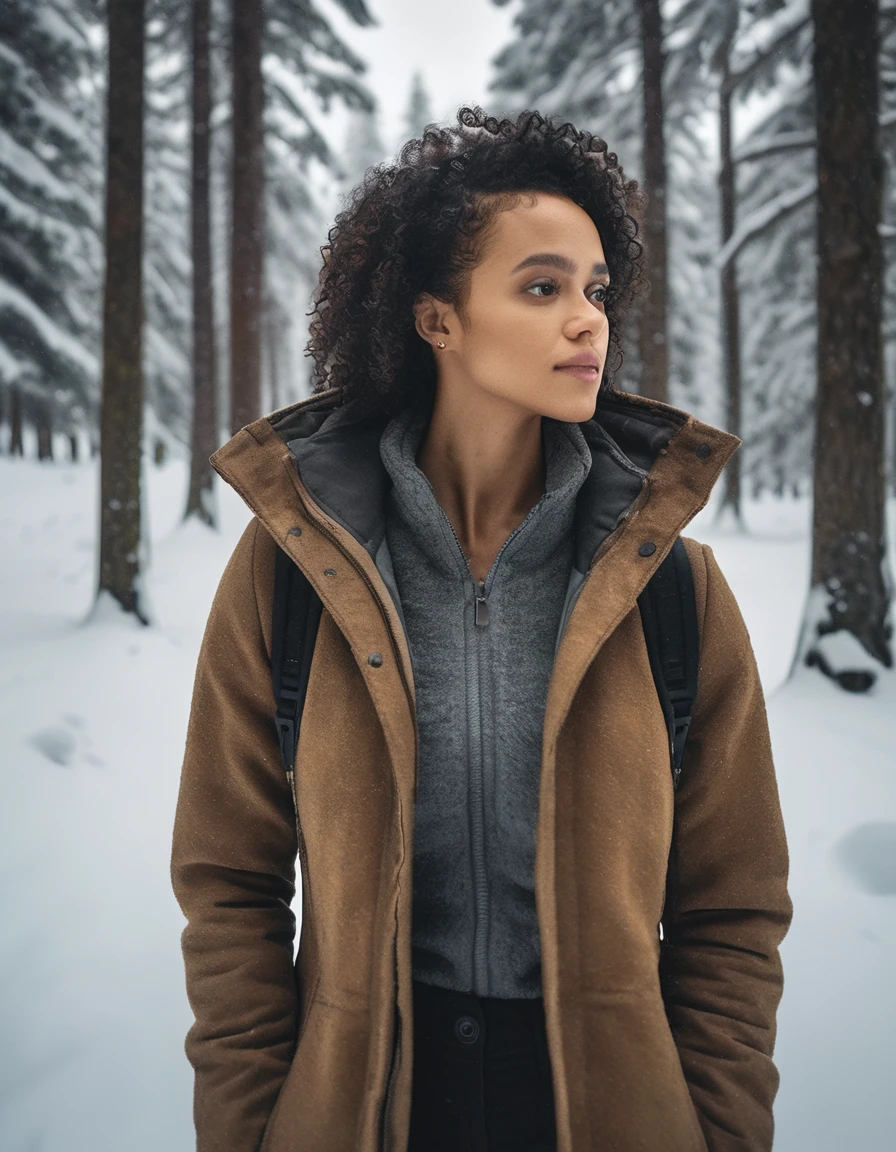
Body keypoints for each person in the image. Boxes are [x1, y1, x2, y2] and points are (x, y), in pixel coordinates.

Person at [170, 106, 793, 1152]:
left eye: (595, 290)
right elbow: (228, 884)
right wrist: (248, 1126)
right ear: (436, 319)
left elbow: (731, 911)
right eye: (541, 286)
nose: (587, 319)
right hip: (363, 1111)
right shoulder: (292, 576)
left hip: (605, 1115)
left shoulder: (672, 591)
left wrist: (717, 1128)